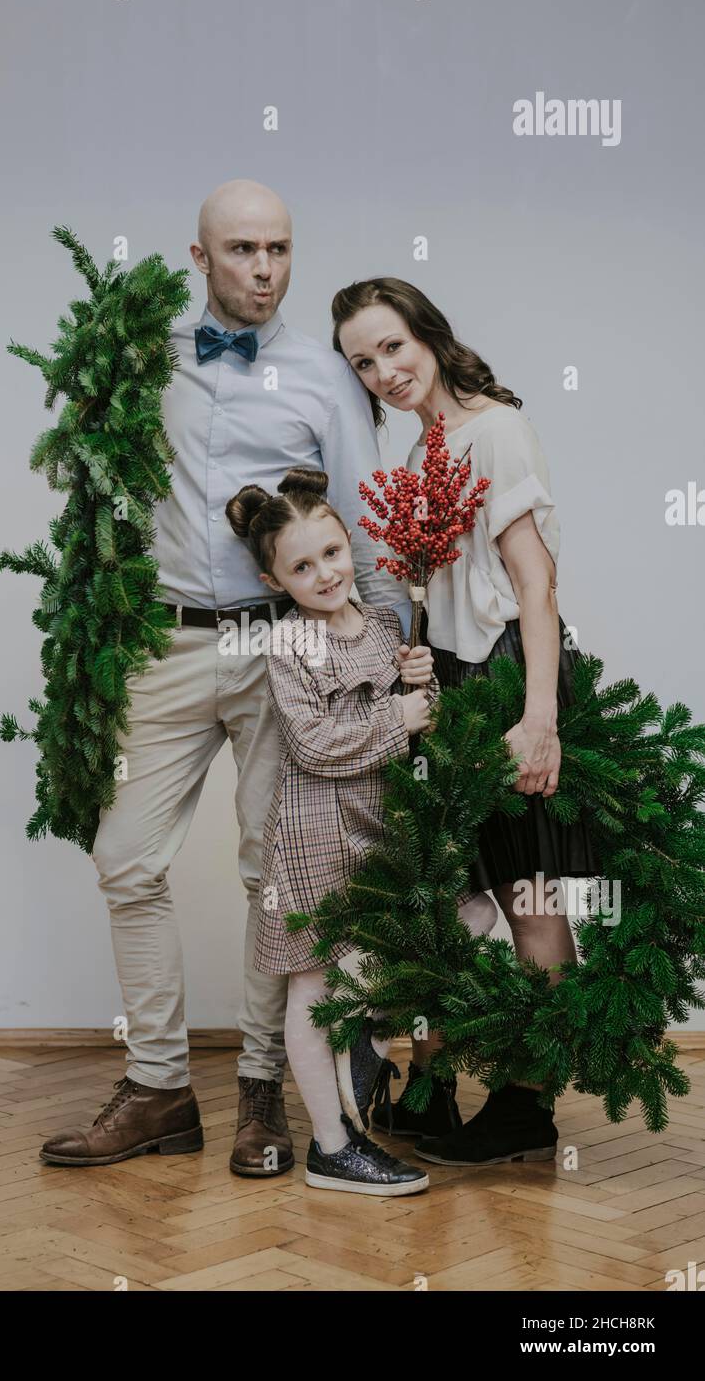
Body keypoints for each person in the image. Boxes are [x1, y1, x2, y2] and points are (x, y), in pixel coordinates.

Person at [39, 182, 411, 1174]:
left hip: (280, 653)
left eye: (279, 248)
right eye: (241, 249)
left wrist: (390, 662)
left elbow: (365, 535)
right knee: (126, 855)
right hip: (160, 643)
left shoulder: (326, 377)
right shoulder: (142, 356)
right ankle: (158, 1084)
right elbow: (88, 475)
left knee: (271, 871)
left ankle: (260, 1087)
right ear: (197, 259)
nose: (263, 268)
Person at [333, 278, 600, 1167]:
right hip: (449, 688)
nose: (384, 372)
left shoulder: (495, 430)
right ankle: (432, 1087)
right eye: (363, 363)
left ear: (431, 337)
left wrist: (539, 717)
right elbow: (439, 595)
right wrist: (417, 660)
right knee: (451, 899)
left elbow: (534, 585)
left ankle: (528, 1102)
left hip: (507, 683)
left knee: (527, 897)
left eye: (393, 348)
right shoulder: (420, 458)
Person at [225, 467, 495, 1194]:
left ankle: (370, 1034)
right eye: (302, 566)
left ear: (352, 546)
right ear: (274, 578)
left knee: (469, 913)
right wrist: (396, 718)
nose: (324, 574)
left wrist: (422, 687)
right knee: (314, 984)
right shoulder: (290, 645)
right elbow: (313, 743)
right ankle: (332, 1145)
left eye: (332, 553)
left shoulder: (381, 621)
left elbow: (416, 721)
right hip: (319, 831)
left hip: (387, 822)